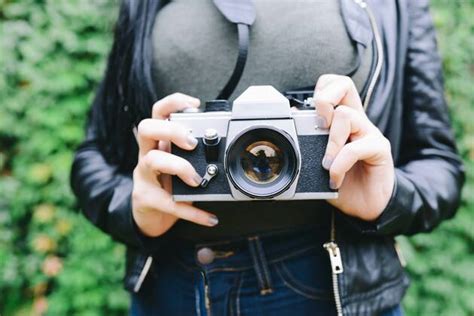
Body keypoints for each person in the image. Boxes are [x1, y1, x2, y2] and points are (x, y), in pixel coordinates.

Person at [70, 0, 465, 315]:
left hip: (331, 287)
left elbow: (439, 164)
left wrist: (388, 198)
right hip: (175, 287)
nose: (261, 163)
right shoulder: (143, 5)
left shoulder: (394, 4)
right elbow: (93, 158)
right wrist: (135, 211)